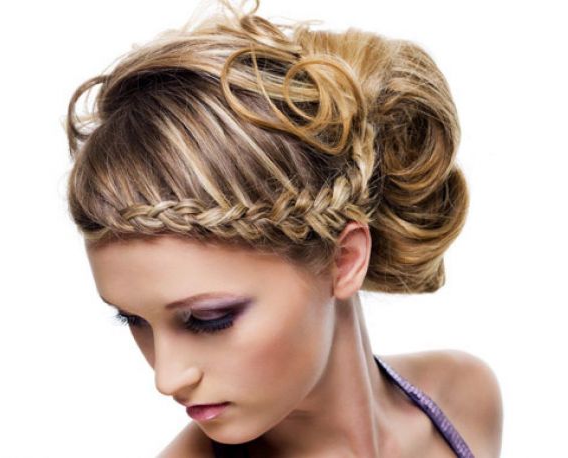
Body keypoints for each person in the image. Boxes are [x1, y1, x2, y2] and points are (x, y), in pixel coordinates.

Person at [63, 0, 503, 456]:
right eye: (133, 319)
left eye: (209, 319)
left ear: (344, 259)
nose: (167, 378)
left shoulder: (464, 397)